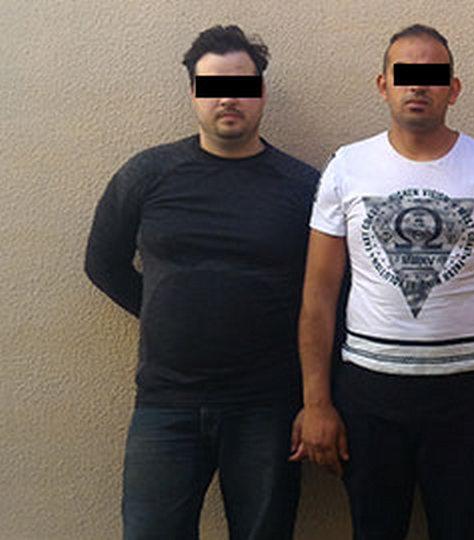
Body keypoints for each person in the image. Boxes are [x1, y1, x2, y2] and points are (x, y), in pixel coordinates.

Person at [291, 24, 474, 539]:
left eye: (433, 76)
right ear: (383, 85)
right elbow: (318, 296)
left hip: (468, 396)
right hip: (368, 394)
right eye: (405, 75)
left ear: (454, 88)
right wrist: (316, 403)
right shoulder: (346, 167)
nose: (418, 86)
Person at [84, 24, 318, 540]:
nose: (228, 98)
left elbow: (327, 294)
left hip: (267, 408)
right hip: (166, 405)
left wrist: (317, 400)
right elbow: (103, 264)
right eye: (213, 86)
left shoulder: (304, 187)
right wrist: (166, 310)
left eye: (242, 85)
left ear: (261, 92)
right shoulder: (147, 175)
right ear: (193, 92)